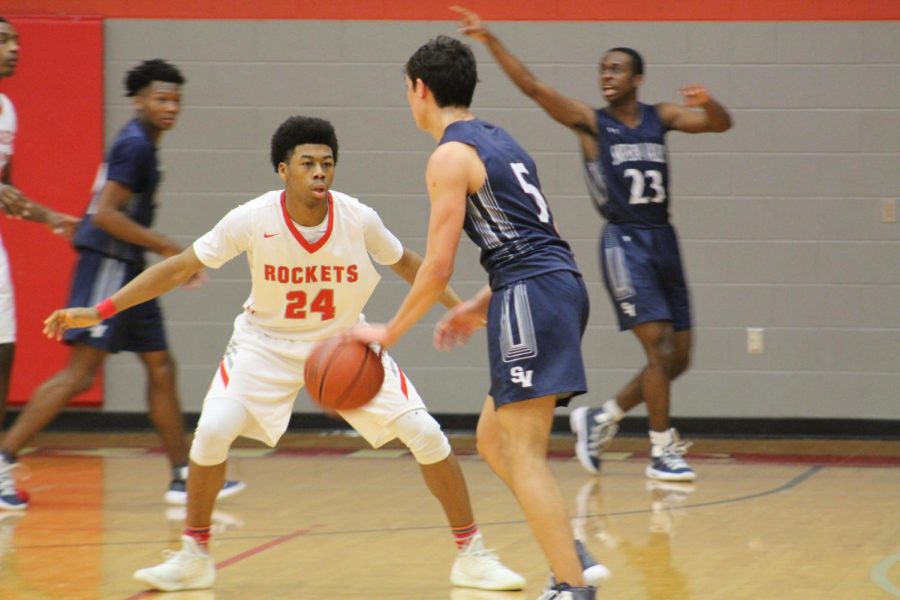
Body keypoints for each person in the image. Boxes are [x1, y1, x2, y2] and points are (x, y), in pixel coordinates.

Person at [43, 115, 526, 593]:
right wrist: (100, 309)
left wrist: (462, 307)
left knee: (425, 433)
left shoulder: (358, 218)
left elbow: (411, 265)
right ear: (283, 170)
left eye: (327, 163)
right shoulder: (253, 218)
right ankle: (194, 555)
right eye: (308, 163)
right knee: (211, 431)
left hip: (343, 343)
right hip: (263, 345)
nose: (319, 172)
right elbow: (179, 267)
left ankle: (472, 554)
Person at [348, 35, 603, 600]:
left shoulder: (447, 156)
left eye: (407, 92)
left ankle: (570, 584)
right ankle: (567, 546)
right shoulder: (500, 140)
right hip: (552, 286)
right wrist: (479, 304)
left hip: (531, 293)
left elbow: (435, 267)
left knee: (524, 451)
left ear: (421, 89)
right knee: (493, 439)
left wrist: (388, 333)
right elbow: (530, 239)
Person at [453, 6, 733, 482]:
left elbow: (718, 125)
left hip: (663, 237)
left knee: (678, 357)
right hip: (624, 242)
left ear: (637, 78)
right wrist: (491, 39)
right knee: (658, 350)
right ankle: (662, 450)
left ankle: (601, 418)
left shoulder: (658, 116)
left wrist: (708, 104)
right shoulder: (590, 123)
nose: (606, 75)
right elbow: (534, 88)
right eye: (602, 68)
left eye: (616, 68)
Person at [0, 58, 244, 510]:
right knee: (80, 375)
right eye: (160, 98)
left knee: (161, 366)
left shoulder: (144, 143)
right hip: (108, 263)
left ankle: (182, 474)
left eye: (175, 100)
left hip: (129, 267)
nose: (170, 107)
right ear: (139, 101)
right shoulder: (134, 145)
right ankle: (3, 459)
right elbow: (106, 215)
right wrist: (173, 250)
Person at [0, 16, 82, 509]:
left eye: (16, 42)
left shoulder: (7, 111)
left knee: (5, 347)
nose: (14, 49)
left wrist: (52, 217)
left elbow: (4, 191)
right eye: (3, 41)